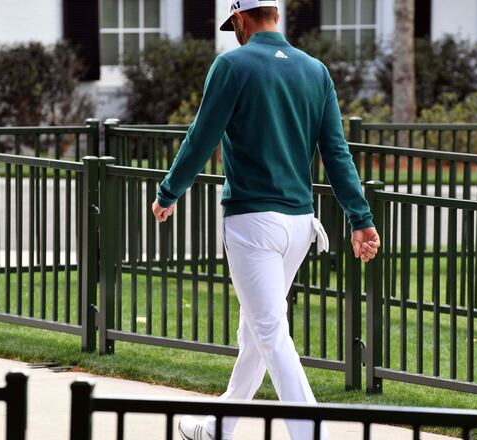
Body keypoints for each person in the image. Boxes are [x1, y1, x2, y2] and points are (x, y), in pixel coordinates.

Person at [150, 1, 381, 439]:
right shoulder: (316, 71)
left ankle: (311, 434)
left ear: (240, 18)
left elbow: (202, 136)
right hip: (299, 225)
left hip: (252, 223)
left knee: (270, 333)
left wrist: (169, 191)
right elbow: (336, 153)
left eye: (232, 24)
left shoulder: (232, 65)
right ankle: (217, 429)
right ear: (275, 14)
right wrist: (360, 218)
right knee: (255, 332)